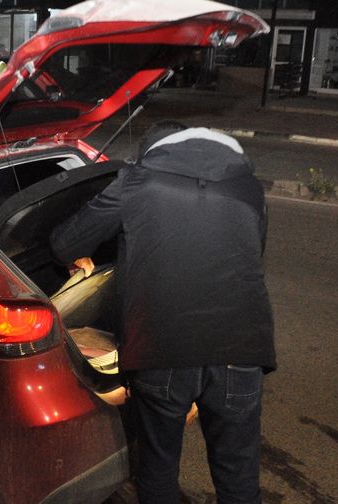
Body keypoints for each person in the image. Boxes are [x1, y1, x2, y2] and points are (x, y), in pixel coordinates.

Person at [50, 121, 276, 504]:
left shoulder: (136, 182)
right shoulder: (248, 187)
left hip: (163, 347)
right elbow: (253, 248)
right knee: (238, 474)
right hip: (242, 349)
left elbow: (64, 243)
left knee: (158, 467)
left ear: (153, 153)